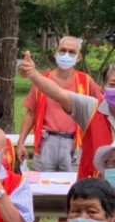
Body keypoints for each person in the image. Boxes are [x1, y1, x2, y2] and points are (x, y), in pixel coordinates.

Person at [19, 53, 115, 222]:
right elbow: (58, 93)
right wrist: (33, 74)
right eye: (112, 84)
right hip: (91, 201)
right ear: (104, 86)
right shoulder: (91, 109)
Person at [16, 37, 102, 173]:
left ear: (78, 57)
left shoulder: (86, 81)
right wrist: (21, 142)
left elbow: (102, 108)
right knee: (43, 186)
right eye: (63, 50)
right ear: (56, 53)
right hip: (46, 141)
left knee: (73, 188)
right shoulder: (42, 81)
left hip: (75, 143)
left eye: (71, 52)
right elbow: (31, 113)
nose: (66, 55)